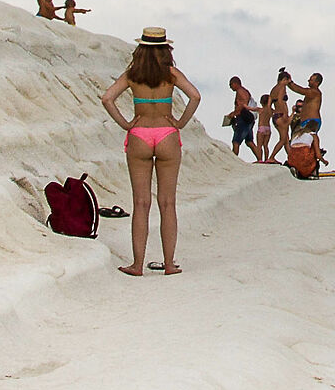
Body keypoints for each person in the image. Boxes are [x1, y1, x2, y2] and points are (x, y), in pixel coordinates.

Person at [101, 26, 201, 277]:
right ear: (166, 48)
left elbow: (107, 98)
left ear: (141, 48)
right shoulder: (171, 74)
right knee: (167, 203)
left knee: (141, 203)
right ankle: (169, 264)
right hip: (167, 133)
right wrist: (180, 122)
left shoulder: (133, 74)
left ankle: (137, 265)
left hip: (139, 134)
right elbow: (195, 97)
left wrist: (125, 123)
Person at [225, 76, 255, 159]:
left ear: (235, 83)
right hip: (247, 119)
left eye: (231, 85)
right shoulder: (243, 91)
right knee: (249, 142)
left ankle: (233, 159)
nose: (230, 87)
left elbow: (243, 104)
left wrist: (233, 113)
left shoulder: (240, 91)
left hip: (243, 118)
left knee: (236, 141)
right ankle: (259, 158)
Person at [252, 92, 277, 163]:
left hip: (261, 128)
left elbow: (251, 108)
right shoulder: (271, 110)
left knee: (259, 145)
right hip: (268, 129)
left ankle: (259, 159)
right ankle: (266, 159)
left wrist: (244, 106)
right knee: (266, 145)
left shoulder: (260, 110)